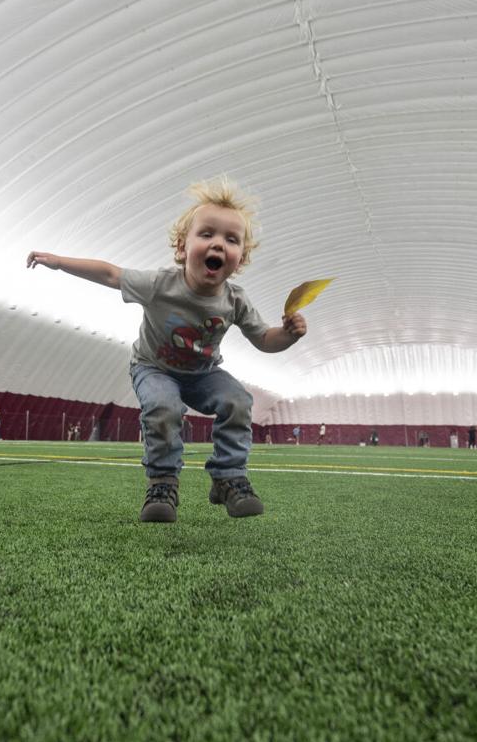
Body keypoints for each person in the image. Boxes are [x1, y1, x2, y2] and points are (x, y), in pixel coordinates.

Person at [27, 176, 309, 523]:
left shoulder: (235, 300)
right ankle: (162, 482)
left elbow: (264, 339)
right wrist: (59, 262)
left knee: (238, 401)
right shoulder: (160, 285)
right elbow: (112, 274)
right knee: (164, 406)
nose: (218, 244)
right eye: (207, 234)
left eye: (231, 239)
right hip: (154, 367)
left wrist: (288, 335)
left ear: (241, 258)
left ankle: (228, 478)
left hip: (203, 374)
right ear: (182, 247)